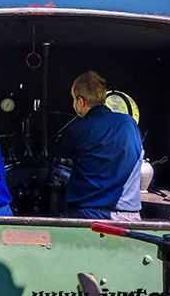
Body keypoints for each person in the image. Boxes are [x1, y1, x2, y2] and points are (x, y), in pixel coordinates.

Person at [57, 71, 143, 221]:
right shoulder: (129, 123)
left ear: (80, 101)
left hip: (88, 215)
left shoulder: (79, 127)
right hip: (129, 216)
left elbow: (61, 152)